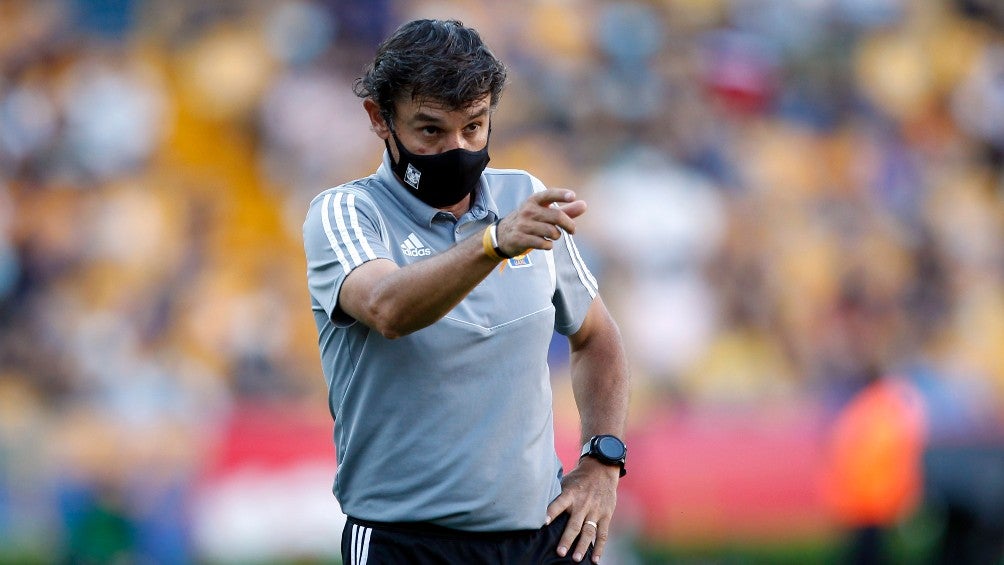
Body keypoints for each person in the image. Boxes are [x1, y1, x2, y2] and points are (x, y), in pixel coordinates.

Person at [302, 19, 630, 564]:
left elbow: (596, 337)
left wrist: (603, 462)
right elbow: (387, 308)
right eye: (431, 130)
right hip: (405, 542)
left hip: (541, 535)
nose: (457, 148)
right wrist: (493, 244)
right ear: (379, 119)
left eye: (474, 127)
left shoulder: (523, 195)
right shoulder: (347, 212)